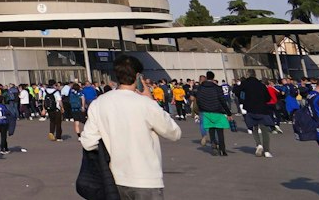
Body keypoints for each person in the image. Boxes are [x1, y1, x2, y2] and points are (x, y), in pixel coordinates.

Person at [81, 55, 181, 200]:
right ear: (138, 76)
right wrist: (151, 100)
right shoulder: (146, 104)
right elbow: (174, 132)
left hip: (114, 179)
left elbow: (88, 142)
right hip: (146, 178)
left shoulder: (99, 103)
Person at [191, 72, 231, 156]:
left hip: (206, 112)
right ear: (213, 78)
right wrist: (228, 113)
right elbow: (222, 101)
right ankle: (222, 150)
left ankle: (213, 146)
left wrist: (202, 108)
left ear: (206, 77)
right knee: (220, 132)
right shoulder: (217, 88)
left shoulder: (200, 88)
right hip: (218, 112)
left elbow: (198, 99)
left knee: (211, 130)